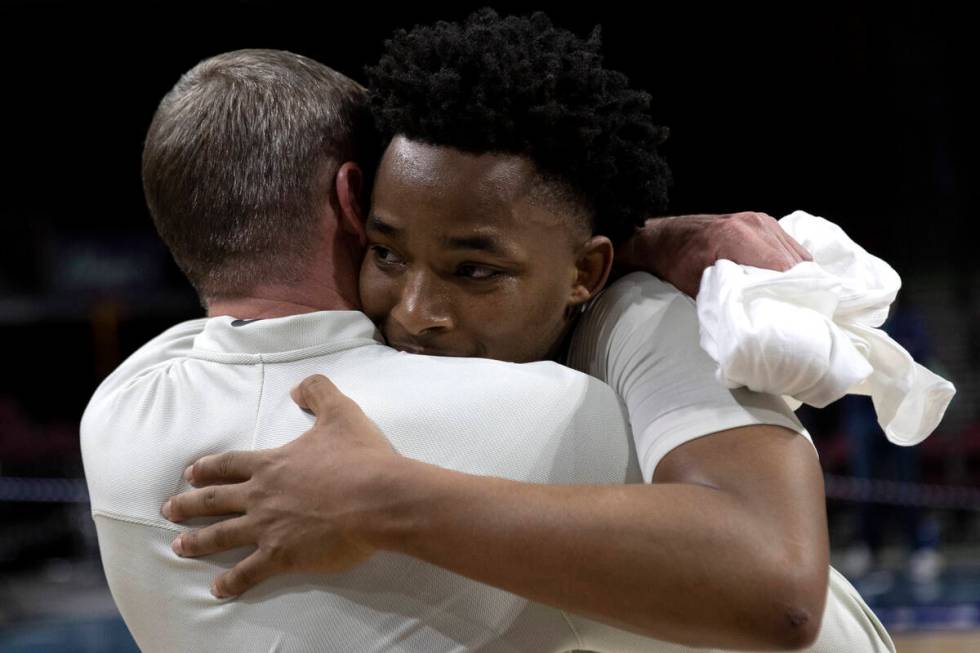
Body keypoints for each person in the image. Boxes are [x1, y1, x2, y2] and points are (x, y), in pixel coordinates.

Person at [160, 10, 893, 652]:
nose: (415, 311)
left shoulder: (648, 321)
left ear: (587, 274)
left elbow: (780, 591)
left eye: (473, 272)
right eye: (386, 252)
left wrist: (377, 496)